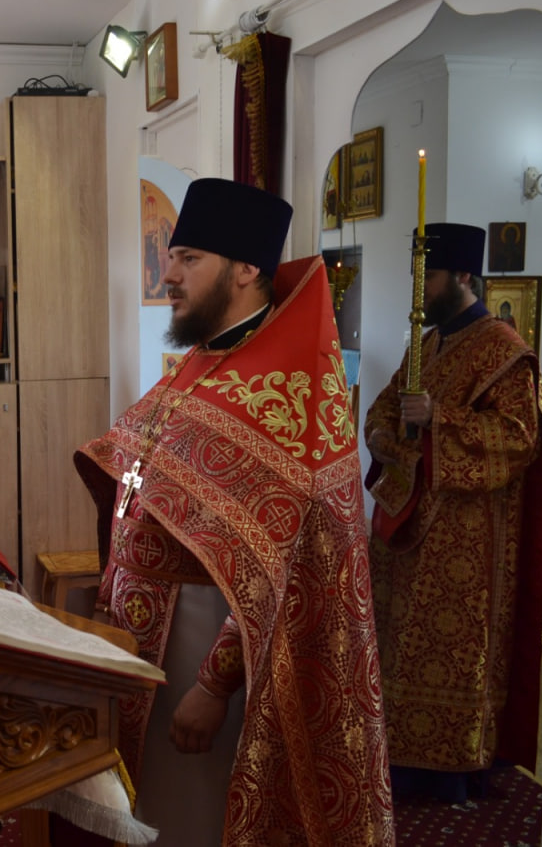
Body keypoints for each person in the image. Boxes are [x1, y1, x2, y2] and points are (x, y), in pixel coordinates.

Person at [73, 179, 394, 846]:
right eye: (172, 256)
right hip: (142, 646)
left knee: (190, 819)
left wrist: (214, 685)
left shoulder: (291, 389)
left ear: (246, 269)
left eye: (188, 257)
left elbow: (289, 560)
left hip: (204, 646)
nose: (168, 273)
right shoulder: (200, 363)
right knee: (142, 816)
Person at [364, 222, 542, 802]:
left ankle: (450, 771)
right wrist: (393, 438)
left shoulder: (505, 350)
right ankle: (396, 760)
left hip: (467, 547)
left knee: (449, 652)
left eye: (430, 278)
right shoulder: (426, 345)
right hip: (406, 527)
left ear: (463, 277)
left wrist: (437, 423)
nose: (419, 293)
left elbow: (520, 439)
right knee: (397, 643)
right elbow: (381, 413)